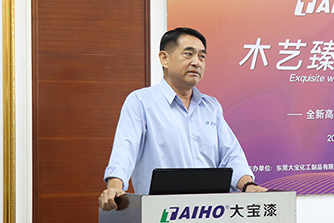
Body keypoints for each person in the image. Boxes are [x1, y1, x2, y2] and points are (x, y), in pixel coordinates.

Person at [99, 27, 266, 211]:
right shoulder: (141, 101)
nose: (196, 62)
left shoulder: (211, 107)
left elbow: (231, 155)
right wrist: (115, 187)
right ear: (164, 58)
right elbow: (125, 149)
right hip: (161, 213)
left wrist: (248, 185)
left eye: (202, 56)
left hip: (211, 212)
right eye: (188, 54)